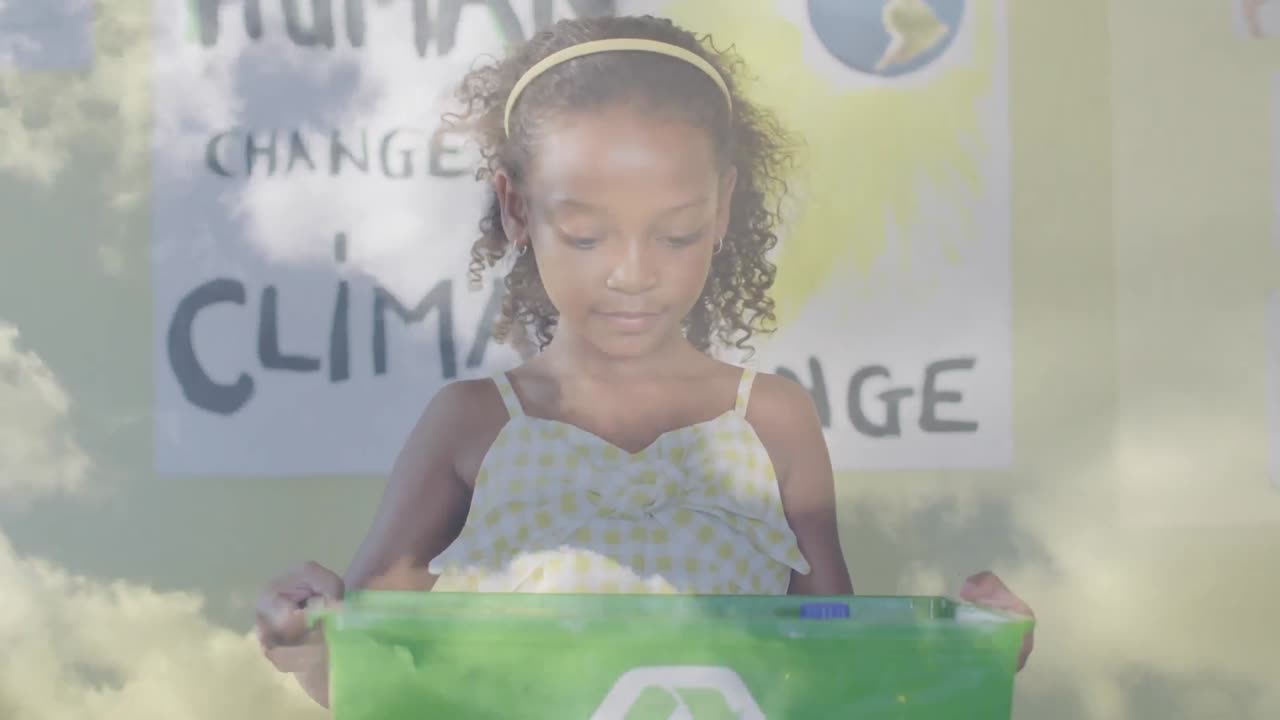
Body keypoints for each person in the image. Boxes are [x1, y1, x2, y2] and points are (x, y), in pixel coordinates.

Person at [254, 14, 1035, 708]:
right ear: (517, 207)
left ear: (721, 208)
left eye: (676, 233)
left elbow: (842, 673)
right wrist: (308, 646)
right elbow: (371, 678)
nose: (632, 273)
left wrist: (979, 650)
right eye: (586, 235)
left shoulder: (774, 423)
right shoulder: (471, 425)